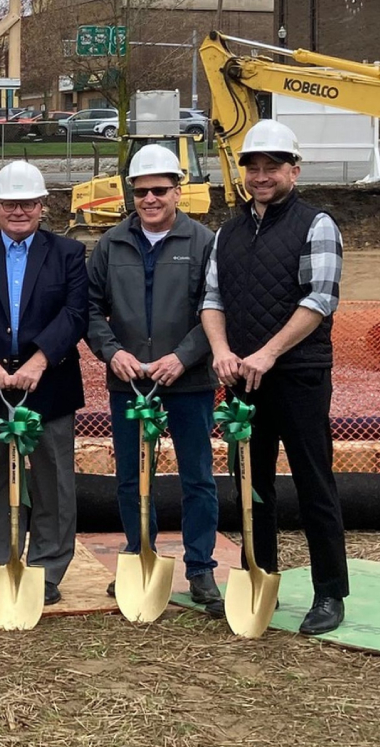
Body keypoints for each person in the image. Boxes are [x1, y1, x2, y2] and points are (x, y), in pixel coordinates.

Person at [200, 119, 348, 635]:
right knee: (250, 484)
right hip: (242, 378)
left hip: (299, 376)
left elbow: (320, 298)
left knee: (313, 482)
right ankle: (258, 572)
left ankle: (330, 592)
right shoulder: (229, 231)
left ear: (294, 170)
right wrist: (221, 350)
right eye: (254, 168)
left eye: (272, 167)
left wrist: (266, 353)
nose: (261, 177)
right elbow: (212, 298)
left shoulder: (316, 223)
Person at [86, 144, 221, 607]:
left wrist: (183, 357)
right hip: (129, 380)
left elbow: (215, 308)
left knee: (197, 477)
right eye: (141, 191)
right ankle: (136, 554)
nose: (149, 199)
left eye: (159, 190)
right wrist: (111, 353)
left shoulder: (203, 242)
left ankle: (201, 568)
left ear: (177, 192)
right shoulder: (111, 243)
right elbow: (89, 308)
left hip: (188, 381)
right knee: (130, 475)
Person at [0, 161, 88, 606]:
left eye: (27, 203)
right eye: (10, 203)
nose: (18, 211)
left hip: (47, 384)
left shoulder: (67, 253)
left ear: (42, 206)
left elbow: (75, 313)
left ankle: (46, 570)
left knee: (52, 480)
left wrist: (40, 360)